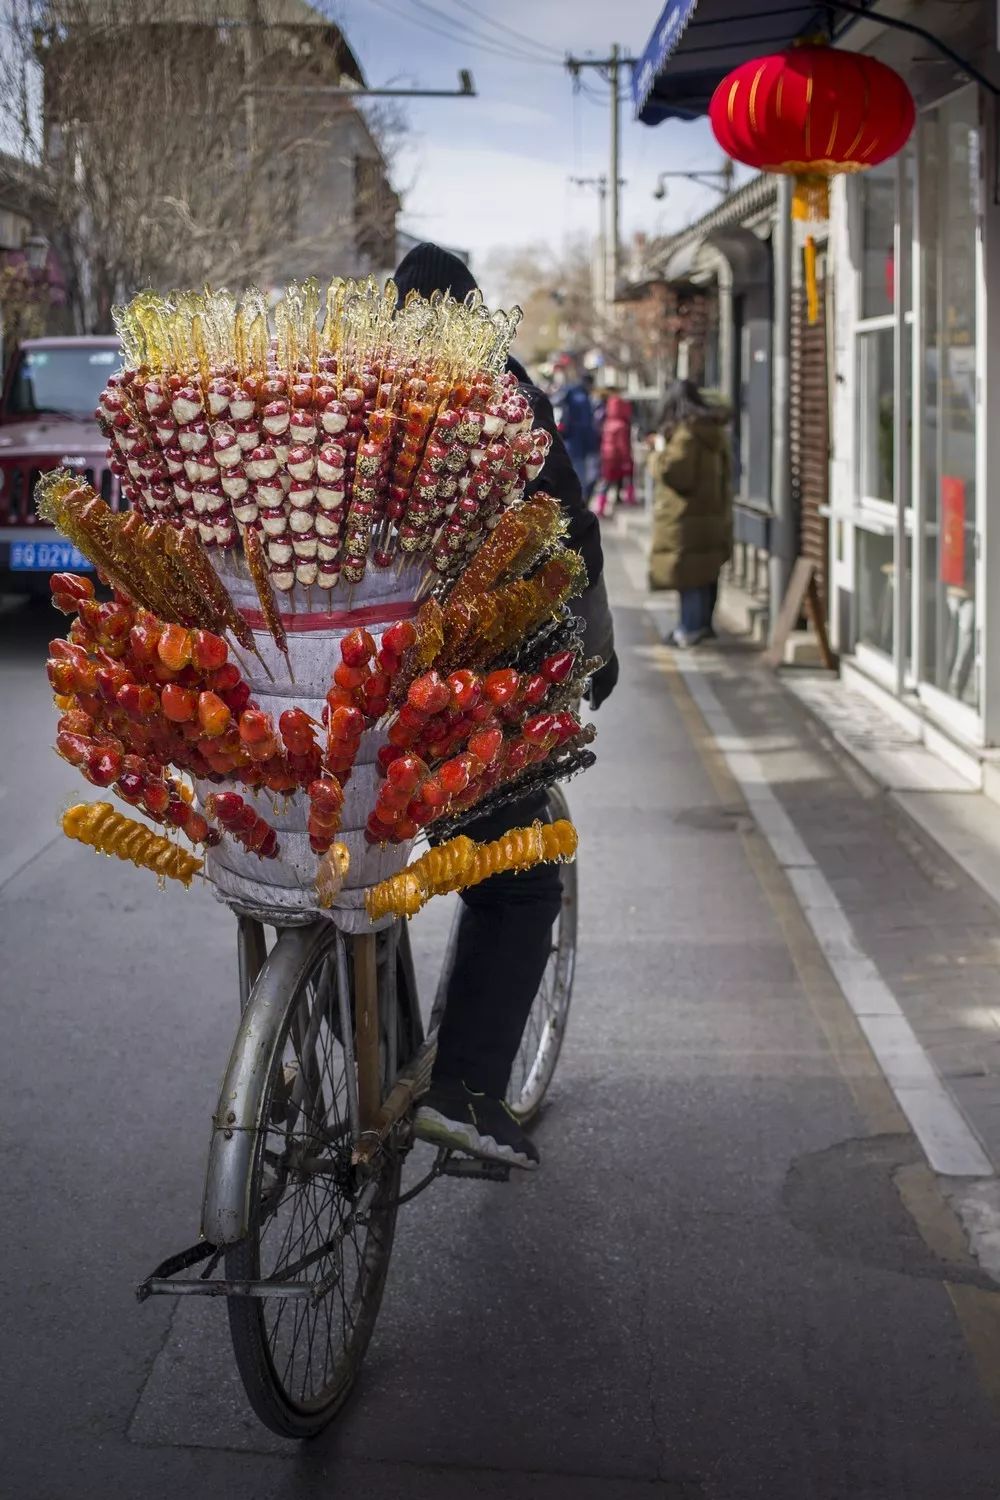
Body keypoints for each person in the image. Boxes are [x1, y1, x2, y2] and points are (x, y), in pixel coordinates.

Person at [391, 242, 618, 1169]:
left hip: (321, 696)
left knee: (325, 877)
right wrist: (591, 658)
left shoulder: (332, 406)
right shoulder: (499, 397)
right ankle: (464, 1089)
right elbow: (567, 535)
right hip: (459, 696)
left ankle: (326, 1053)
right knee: (517, 878)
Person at [648, 379, 732, 647]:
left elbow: (676, 473)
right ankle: (702, 625)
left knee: (690, 575)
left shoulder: (687, 434)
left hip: (688, 518)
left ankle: (689, 629)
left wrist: (656, 453)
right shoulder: (712, 430)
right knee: (705, 572)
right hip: (710, 514)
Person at [553, 364, 599, 499]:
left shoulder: (577, 393)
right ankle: (578, 503)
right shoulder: (577, 395)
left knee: (582, 475)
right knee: (580, 476)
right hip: (576, 442)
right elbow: (584, 424)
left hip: (577, 442)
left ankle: (576, 502)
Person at [593, 392, 635, 515]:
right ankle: (630, 497)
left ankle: (600, 505)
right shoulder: (622, 425)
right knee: (629, 476)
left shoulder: (607, 423)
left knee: (606, 481)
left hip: (607, 457)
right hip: (618, 458)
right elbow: (623, 445)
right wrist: (627, 459)